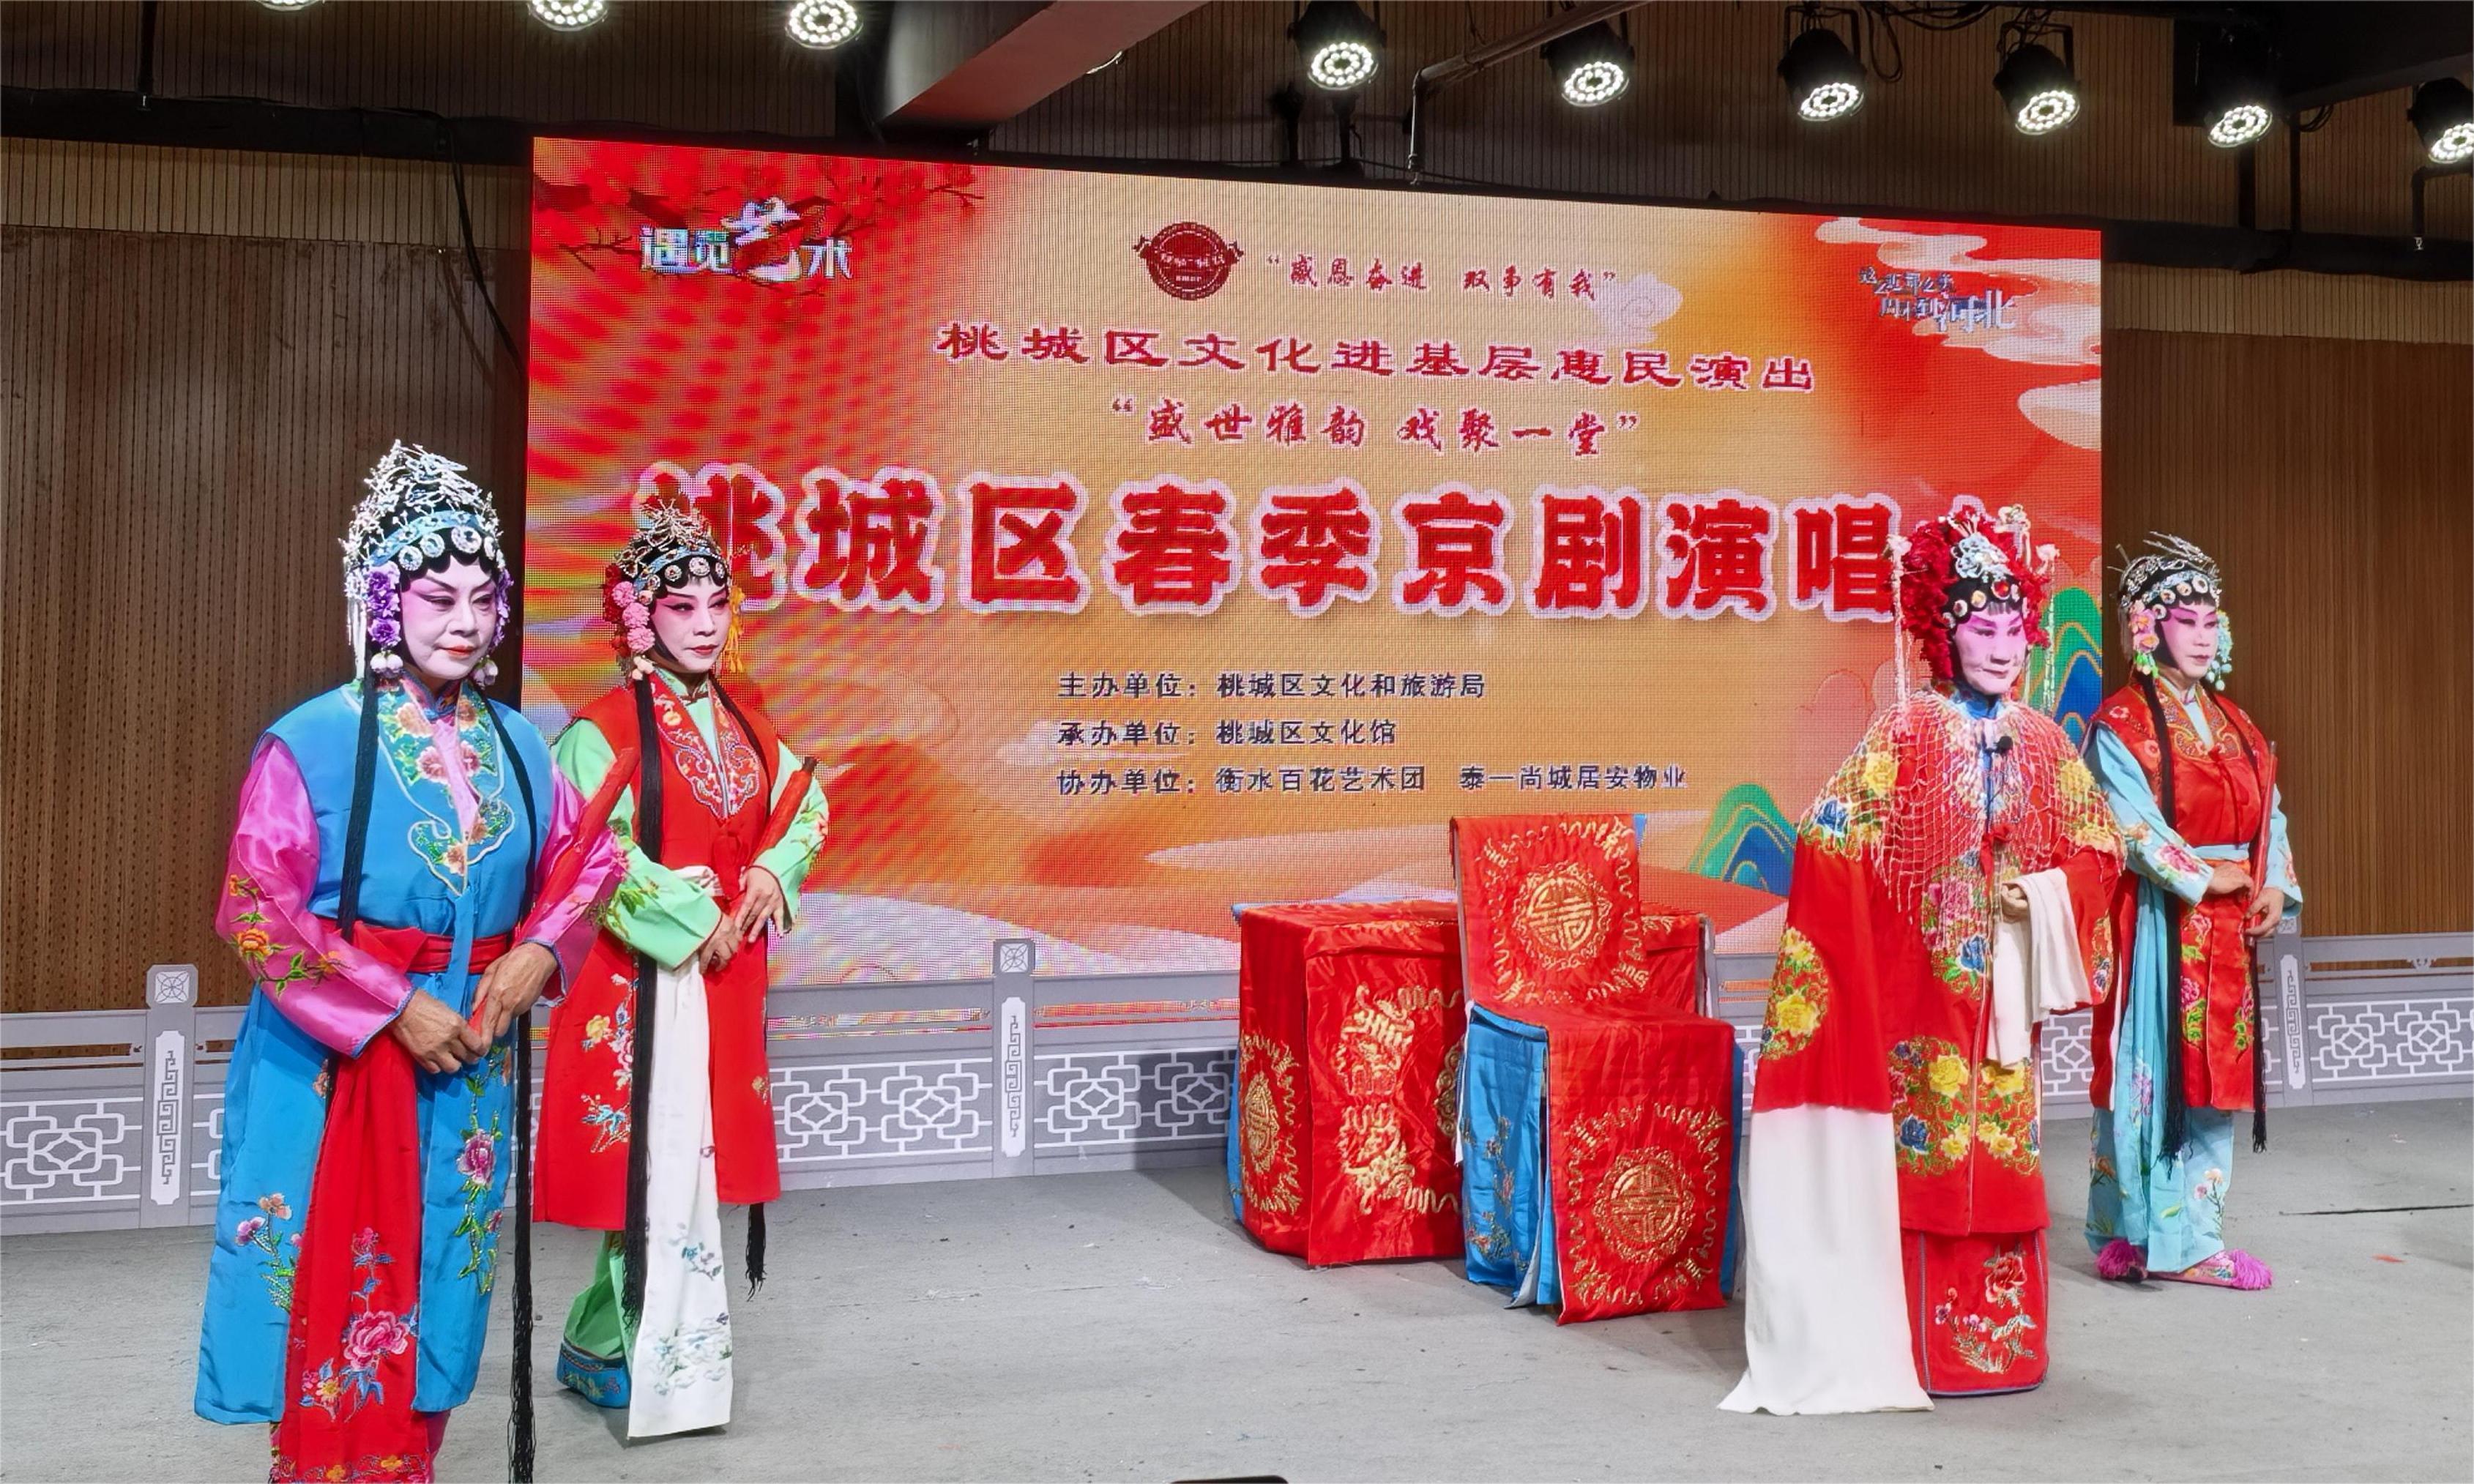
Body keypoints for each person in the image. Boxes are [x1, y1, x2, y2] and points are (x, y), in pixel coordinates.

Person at [195, 443, 619, 1482]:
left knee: (442, 1262)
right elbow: (256, 903)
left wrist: (537, 950)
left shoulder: (520, 743)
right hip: (337, 1051)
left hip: (470, 1043)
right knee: (326, 1263)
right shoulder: (310, 740)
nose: (464, 621)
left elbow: (590, 858)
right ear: (384, 600)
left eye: (483, 597)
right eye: (438, 597)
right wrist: (391, 1005)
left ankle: (407, 1463)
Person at [1722, 504, 2121, 1414]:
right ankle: (1910, 1341)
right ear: (1944, 634)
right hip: (1920, 998)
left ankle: (1998, 1344)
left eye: (2014, 629)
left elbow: (2100, 844)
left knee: (2003, 1148)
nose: (2002, 648)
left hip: (2004, 995)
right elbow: (1828, 832)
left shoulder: (2045, 740)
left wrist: (2045, 891)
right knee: (1926, 1150)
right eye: (1983, 629)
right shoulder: (1904, 733)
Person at [535, 499, 829, 1436]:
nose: (705, 623)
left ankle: (597, 1344)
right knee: (654, 1168)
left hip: (725, 975)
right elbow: (588, 847)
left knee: (689, 1165)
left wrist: (769, 876)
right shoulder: (601, 728)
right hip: (643, 979)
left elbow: (805, 800)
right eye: (681, 605)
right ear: (639, 615)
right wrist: (691, 918)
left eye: (717, 603)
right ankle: (657, 1361)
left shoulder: (748, 721)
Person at [2084, 535, 2295, 1291]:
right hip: (2158, 919)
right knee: (2153, 1072)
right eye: (2185, 620)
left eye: (2211, 621)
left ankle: (2175, 1234)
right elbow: (2129, 823)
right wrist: (2203, 875)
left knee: (2213, 1075)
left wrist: (2273, 882)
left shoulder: (2234, 722)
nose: (2203, 636)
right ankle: (2151, 1236)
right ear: (2147, 627)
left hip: (2228, 921)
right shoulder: (2120, 724)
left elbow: (2268, 810)